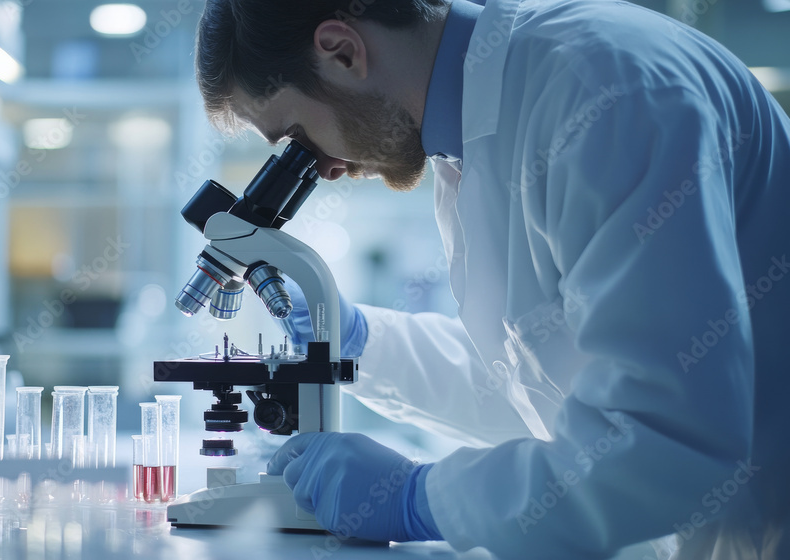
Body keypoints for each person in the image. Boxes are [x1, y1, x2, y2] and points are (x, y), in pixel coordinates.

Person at [193, 0, 790, 558]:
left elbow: (664, 443)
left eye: (296, 139)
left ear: (342, 51)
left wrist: (418, 498)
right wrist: (357, 341)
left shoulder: (603, 90)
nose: (319, 169)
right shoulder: (474, 143)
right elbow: (546, 391)